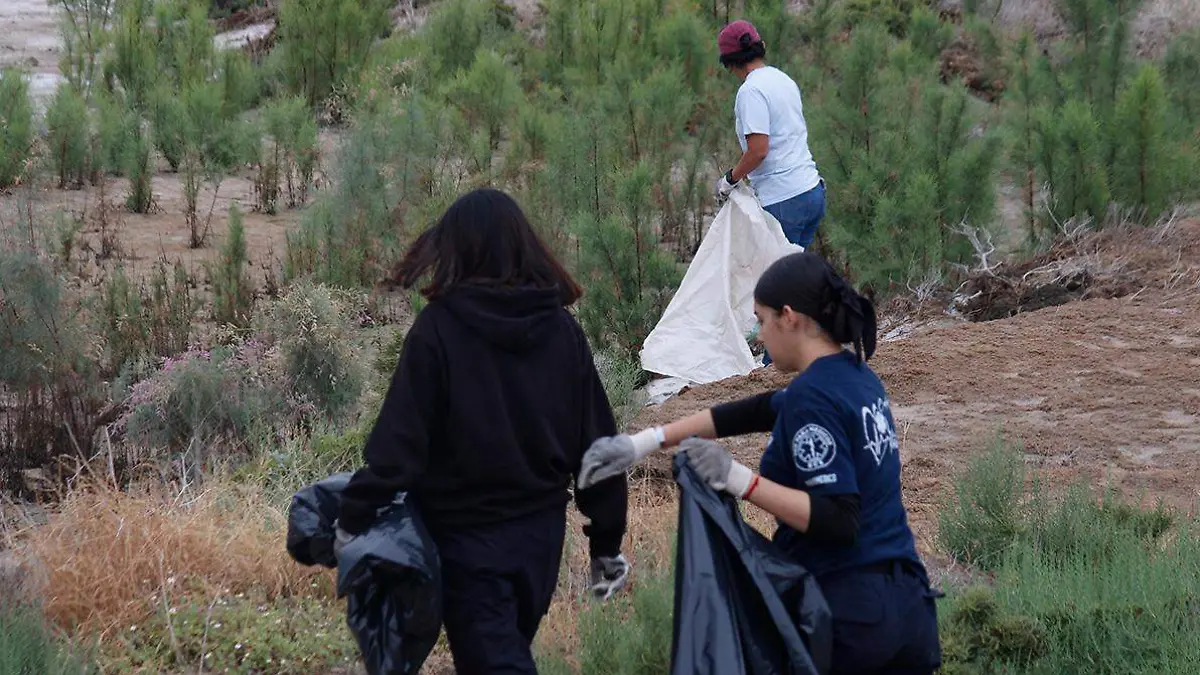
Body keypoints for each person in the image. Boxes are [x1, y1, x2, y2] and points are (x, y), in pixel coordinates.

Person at [577, 252, 942, 675]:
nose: (758, 335)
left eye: (761, 319)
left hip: (851, 616)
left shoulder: (813, 397)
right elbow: (754, 411)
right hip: (908, 609)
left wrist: (735, 478)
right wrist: (644, 442)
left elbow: (840, 520)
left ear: (790, 317)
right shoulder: (855, 376)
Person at [333, 188, 631, 675]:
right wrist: (606, 543)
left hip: (465, 543)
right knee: (504, 653)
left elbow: (399, 448)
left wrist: (353, 515)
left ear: (458, 250)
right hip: (540, 542)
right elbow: (600, 450)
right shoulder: (561, 332)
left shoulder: (438, 332)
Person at [712, 19, 827, 252]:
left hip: (784, 199)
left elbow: (759, 151)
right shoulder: (783, 79)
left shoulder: (751, 91)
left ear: (730, 62)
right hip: (811, 190)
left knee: (773, 281)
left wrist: (730, 179)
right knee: (794, 274)